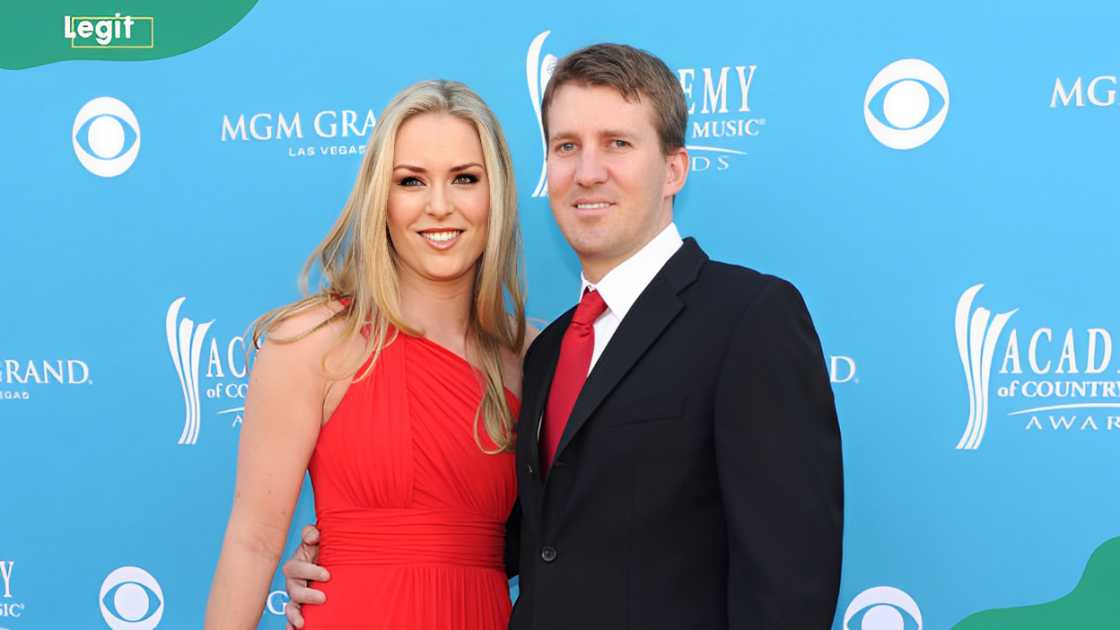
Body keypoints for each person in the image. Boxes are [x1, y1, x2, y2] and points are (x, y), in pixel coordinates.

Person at [284, 44, 844, 629]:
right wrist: (347, 562)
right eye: (566, 146)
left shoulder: (749, 319)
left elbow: (790, 586)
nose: (588, 171)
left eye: (617, 144)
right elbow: (530, 541)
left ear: (674, 168)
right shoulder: (546, 352)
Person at [204, 79, 530, 629]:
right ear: (382, 196)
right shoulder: (312, 343)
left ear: (495, 194)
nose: (439, 206)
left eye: (465, 179)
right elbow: (254, 541)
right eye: (411, 181)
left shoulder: (532, 356)